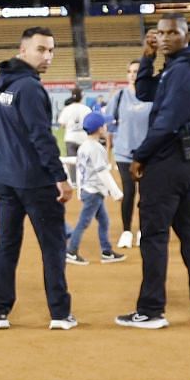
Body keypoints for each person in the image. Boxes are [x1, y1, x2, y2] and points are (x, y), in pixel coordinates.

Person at [115, 12, 190, 328]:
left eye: (172, 33)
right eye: (160, 33)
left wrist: (140, 156)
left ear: (186, 36)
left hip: (171, 160)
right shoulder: (181, 68)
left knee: (155, 235)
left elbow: (167, 122)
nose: (164, 38)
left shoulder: (183, 72)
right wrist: (147, 57)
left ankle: (151, 311)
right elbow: (146, 92)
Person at [0, 25, 73, 331]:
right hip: (36, 182)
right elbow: (41, 137)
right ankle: (60, 314)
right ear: (23, 51)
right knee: (53, 246)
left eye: (52, 50)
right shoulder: (30, 88)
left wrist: (0, 152)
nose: (48, 56)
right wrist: (61, 178)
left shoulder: (2, 82)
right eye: (41, 49)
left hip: (5, 179)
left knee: (6, 245)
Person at [65, 109, 123, 265]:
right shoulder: (96, 148)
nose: (106, 128)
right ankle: (71, 251)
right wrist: (116, 193)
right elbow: (103, 173)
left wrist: (79, 191)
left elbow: (79, 167)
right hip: (93, 192)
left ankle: (106, 251)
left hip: (88, 190)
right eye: (104, 125)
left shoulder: (85, 146)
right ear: (99, 128)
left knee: (104, 221)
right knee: (83, 222)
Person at [108, 59, 149, 243]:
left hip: (148, 153)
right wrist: (108, 151)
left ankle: (143, 230)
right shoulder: (119, 96)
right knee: (129, 191)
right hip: (124, 153)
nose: (133, 74)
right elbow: (109, 123)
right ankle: (126, 231)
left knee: (147, 194)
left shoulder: (152, 96)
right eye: (130, 71)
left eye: (136, 71)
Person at [57, 85, 90, 184]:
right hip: (83, 138)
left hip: (70, 138)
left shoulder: (67, 109)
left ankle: (74, 181)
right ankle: (84, 180)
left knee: (72, 161)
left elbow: (62, 124)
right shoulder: (86, 109)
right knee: (85, 160)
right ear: (82, 97)